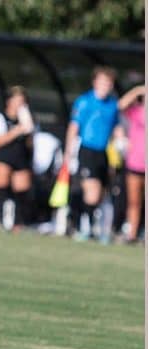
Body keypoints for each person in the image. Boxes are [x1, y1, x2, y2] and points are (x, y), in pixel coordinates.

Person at [65, 67, 120, 241]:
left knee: (101, 193)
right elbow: (74, 127)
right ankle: (86, 227)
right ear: (95, 82)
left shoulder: (112, 105)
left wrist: (122, 142)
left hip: (104, 152)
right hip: (87, 149)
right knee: (92, 192)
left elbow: (116, 128)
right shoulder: (84, 101)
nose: (106, 85)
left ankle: (91, 226)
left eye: (109, 83)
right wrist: (68, 152)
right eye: (103, 81)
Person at [0, 86, 34, 230]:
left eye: (22, 101)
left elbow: (30, 140)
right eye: (17, 100)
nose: (19, 104)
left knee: (22, 189)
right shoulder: (1, 117)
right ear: (9, 101)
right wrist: (17, 130)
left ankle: (18, 221)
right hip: (6, 155)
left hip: (21, 156)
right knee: (0, 184)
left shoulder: (27, 118)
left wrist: (27, 127)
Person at [117, 84, 145, 243]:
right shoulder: (136, 111)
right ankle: (132, 234)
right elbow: (120, 105)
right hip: (135, 163)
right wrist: (139, 90)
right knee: (134, 201)